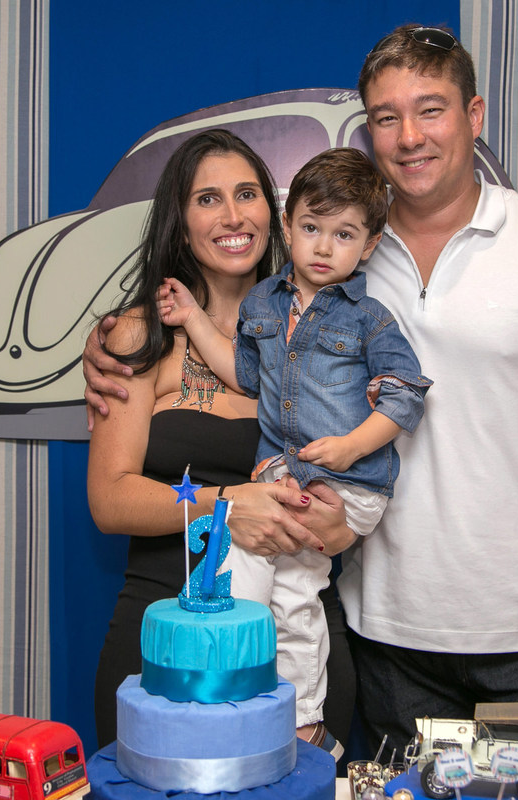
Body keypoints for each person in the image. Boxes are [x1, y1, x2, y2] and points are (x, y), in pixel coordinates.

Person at [84, 25, 518, 771]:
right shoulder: (327, 268)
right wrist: (126, 339)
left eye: (431, 109)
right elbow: (236, 373)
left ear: (474, 115)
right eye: (387, 117)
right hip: (386, 639)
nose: (409, 136)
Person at [86, 129, 357, 753]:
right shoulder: (139, 336)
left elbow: (358, 481)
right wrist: (229, 505)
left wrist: (339, 528)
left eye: (247, 194)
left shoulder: (330, 335)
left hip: (298, 641)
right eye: (208, 199)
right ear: (181, 226)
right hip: (168, 637)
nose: (233, 216)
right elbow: (110, 500)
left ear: (275, 214)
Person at [155, 147, 432, 756]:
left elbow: (406, 394)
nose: (323, 247)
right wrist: (195, 318)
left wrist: (351, 446)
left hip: (350, 483)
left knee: (295, 589)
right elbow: (244, 375)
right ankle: (242, 678)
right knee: (252, 569)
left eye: (344, 235)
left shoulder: (368, 318)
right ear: (287, 226)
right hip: (289, 475)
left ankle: (302, 720)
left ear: (370, 243)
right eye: (311, 228)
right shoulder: (264, 305)